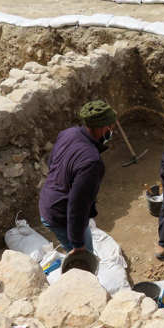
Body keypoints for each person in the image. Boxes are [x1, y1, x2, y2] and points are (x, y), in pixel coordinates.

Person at [38, 100, 117, 254]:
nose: (112, 131)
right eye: (112, 128)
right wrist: (78, 245)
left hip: (47, 201)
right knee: (83, 263)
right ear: (103, 129)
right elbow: (77, 206)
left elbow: (52, 162)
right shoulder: (92, 162)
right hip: (61, 215)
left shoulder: (68, 133)